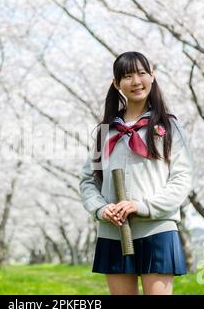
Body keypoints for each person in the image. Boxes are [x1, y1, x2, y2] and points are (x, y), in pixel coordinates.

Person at [79, 51, 193, 295]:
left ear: (152, 76)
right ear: (116, 83)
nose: (136, 81)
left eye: (142, 73)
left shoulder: (170, 127)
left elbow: (181, 179)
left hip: (157, 229)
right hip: (114, 232)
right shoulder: (104, 132)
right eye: (127, 76)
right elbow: (88, 180)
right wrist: (101, 209)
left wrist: (140, 206)